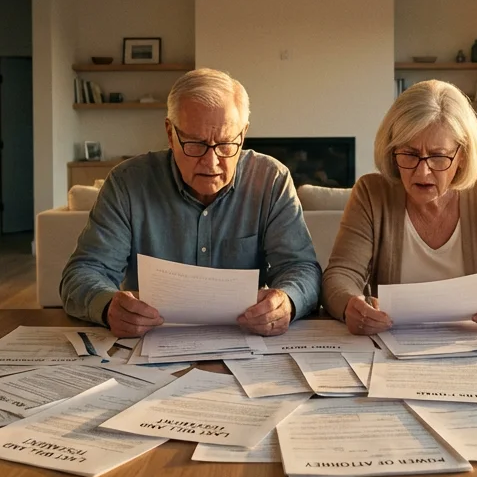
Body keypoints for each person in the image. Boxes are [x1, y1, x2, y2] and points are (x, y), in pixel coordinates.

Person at [61, 68, 321, 338]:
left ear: (243, 135)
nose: (211, 163)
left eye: (225, 144)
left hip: (244, 341)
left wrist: (286, 302)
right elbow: (84, 272)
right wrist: (107, 307)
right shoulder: (127, 183)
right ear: (170, 134)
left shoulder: (271, 180)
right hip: (149, 342)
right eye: (195, 144)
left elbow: (301, 268)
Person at [323, 80, 477, 335]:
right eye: (409, 154)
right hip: (390, 352)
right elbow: (339, 276)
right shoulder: (372, 193)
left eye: (439, 156)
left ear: (462, 155)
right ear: (392, 150)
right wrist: (351, 305)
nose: (422, 171)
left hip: (476, 350)